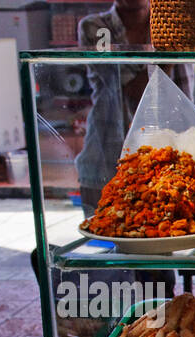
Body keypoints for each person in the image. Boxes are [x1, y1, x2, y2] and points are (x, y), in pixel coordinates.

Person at [75, 0, 153, 215]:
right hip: (107, 150)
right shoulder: (97, 27)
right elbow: (134, 90)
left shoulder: (172, 25)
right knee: (105, 230)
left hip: (167, 147)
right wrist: (170, 53)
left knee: (165, 233)